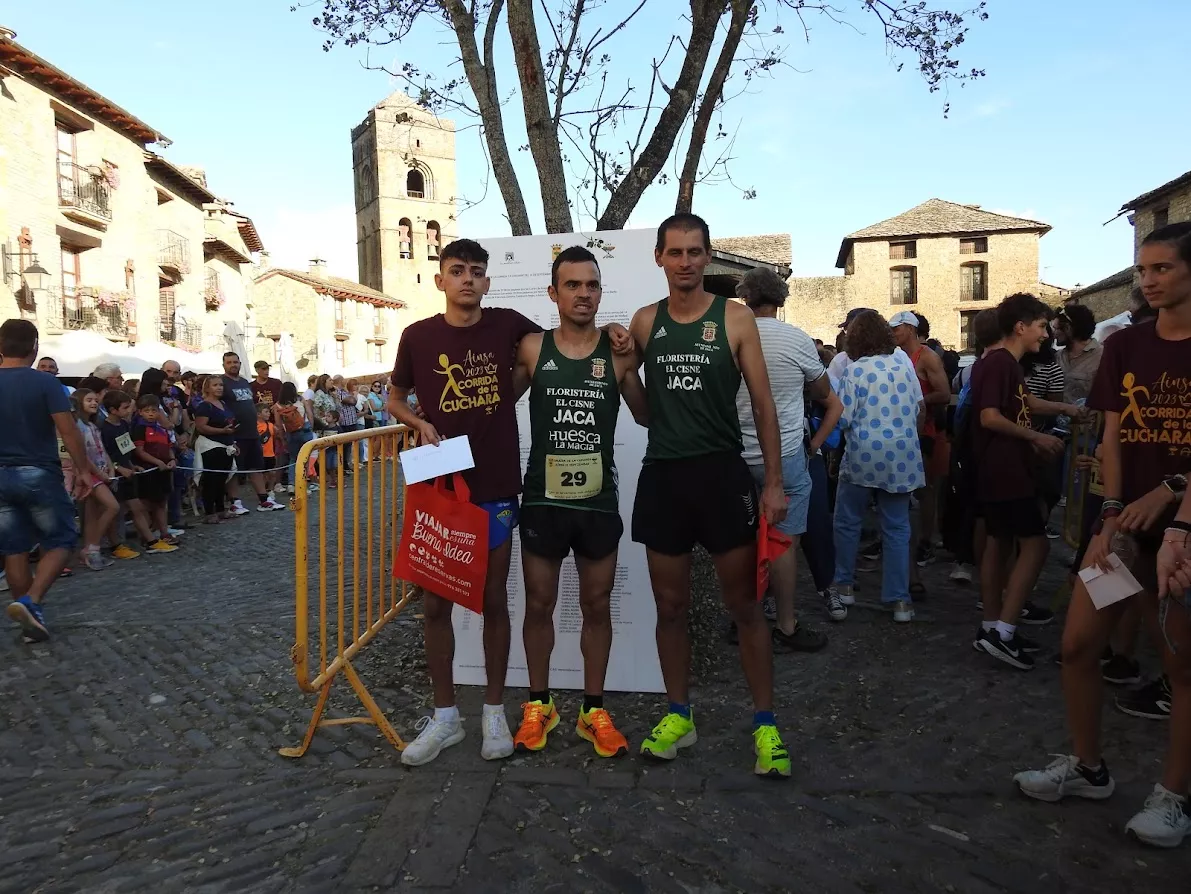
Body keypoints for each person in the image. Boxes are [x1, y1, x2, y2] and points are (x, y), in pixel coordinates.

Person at [389, 237, 633, 767]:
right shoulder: (417, 335)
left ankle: (495, 711)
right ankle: (445, 717)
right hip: (438, 480)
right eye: (458, 270)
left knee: (494, 600)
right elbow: (395, 396)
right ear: (441, 279)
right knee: (434, 606)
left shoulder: (509, 327)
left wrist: (617, 329)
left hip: (497, 483)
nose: (468, 279)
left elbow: (572, 335)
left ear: (488, 280)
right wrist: (418, 423)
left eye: (476, 271)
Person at [1014, 222, 1191, 848]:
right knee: (1077, 645)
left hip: (1183, 534)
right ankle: (1089, 768)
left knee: (1180, 666)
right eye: (1143, 269)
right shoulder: (1127, 346)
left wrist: (1171, 493)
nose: (1147, 281)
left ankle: (1175, 795)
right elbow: (1114, 434)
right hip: (1125, 528)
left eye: (1162, 268)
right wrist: (1110, 513)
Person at [627, 213, 791, 778]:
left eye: (694, 252)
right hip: (665, 478)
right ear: (659, 258)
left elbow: (764, 404)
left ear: (707, 255)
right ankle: (679, 714)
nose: (685, 262)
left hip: (722, 475)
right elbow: (643, 413)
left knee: (744, 606)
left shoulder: (735, 317)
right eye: (674, 252)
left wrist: (773, 482)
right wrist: (625, 371)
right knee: (670, 608)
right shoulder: (645, 322)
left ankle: (765, 724)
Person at [509, 246, 647, 758]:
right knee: (538, 603)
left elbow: (647, 415)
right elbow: (495, 406)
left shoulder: (618, 352)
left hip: (597, 502)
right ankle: (539, 704)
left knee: (596, 604)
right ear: (553, 293)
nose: (583, 293)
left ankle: (593, 709)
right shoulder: (532, 349)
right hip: (543, 500)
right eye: (572, 285)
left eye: (591, 285)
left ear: (600, 292)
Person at [733, 265, 835, 649]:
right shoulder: (797, 339)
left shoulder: (731, 334)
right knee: (783, 541)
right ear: (780, 298)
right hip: (786, 452)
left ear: (746, 297)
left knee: (740, 542)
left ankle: (743, 620)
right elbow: (822, 390)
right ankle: (786, 625)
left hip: (736, 452)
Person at [968, 294, 1068, 669]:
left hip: (998, 469)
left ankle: (992, 626)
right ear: (1020, 327)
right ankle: (1004, 633)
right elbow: (990, 417)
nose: (1046, 334)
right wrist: (1036, 437)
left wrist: (1067, 409)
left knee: (999, 544)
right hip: (1006, 469)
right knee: (1036, 546)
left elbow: (1027, 403)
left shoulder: (1000, 362)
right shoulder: (1001, 363)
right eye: (1041, 327)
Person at [1, 319, 96, 642]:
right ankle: (32, 601)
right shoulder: (46, 383)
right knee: (61, 539)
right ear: (34, 347)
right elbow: (68, 430)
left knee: (14, 549)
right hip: (37, 471)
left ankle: (30, 620)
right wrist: (83, 471)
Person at [829, 310, 925, 623]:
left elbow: (844, 417)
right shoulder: (903, 363)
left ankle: (844, 584)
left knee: (848, 520)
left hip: (864, 454)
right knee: (897, 527)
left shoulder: (855, 370)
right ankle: (900, 601)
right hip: (902, 456)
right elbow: (918, 406)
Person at [890, 310, 950, 577]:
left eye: (897, 328)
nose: (893, 333)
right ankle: (901, 541)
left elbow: (944, 393)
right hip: (901, 432)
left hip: (925, 431)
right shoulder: (894, 355)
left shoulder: (927, 357)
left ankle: (926, 541)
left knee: (926, 489)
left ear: (911, 329)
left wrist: (916, 400)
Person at [100, 391, 177, 555]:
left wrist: (132, 465)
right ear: (113, 410)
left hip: (128, 473)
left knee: (137, 508)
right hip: (114, 475)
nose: (130, 410)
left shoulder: (123, 425)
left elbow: (126, 449)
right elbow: (104, 453)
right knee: (116, 511)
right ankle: (115, 545)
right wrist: (118, 468)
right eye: (125, 407)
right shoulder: (104, 429)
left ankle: (151, 541)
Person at [221, 352, 285, 513]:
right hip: (235, 433)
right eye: (229, 362)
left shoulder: (244, 382)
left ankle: (264, 500)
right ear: (224, 365)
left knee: (256, 467)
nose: (233, 365)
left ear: (240, 364)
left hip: (252, 431)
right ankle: (234, 502)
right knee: (234, 470)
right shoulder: (222, 382)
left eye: (235, 362)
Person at [71, 389, 122, 569]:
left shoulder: (92, 425)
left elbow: (102, 449)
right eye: (89, 400)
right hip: (89, 473)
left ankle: (91, 550)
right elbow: (81, 454)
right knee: (112, 506)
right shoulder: (77, 425)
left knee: (92, 514)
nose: (94, 403)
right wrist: (99, 474)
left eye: (95, 400)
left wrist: (110, 467)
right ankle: (92, 546)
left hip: (101, 470)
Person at [131, 395, 179, 547]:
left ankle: (164, 532)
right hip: (148, 471)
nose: (151, 414)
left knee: (161, 502)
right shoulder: (140, 429)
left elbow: (169, 447)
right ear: (140, 412)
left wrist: (172, 459)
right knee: (146, 504)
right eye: (147, 411)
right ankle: (146, 536)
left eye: (154, 410)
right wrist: (157, 462)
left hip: (163, 470)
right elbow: (139, 451)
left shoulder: (161, 429)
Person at [193, 376, 239, 524]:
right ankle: (209, 512)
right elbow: (201, 427)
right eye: (215, 385)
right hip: (210, 446)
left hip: (225, 445)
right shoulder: (205, 406)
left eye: (221, 385)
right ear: (207, 388)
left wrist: (232, 442)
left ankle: (220, 509)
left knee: (221, 480)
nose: (219, 387)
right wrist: (222, 431)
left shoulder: (223, 404)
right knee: (211, 480)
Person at [1055, 304, 1102, 405]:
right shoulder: (1057, 357)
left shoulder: (1102, 356)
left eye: (1056, 329)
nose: (1054, 334)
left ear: (1067, 328)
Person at [256, 403, 280, 493]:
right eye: (266, 412)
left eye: (269, 412)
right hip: (260, 454)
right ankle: (262, 492)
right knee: (262, 475)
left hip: (270, 453)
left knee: (272, 473)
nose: (269, 414)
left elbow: (274, 437)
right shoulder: (255, 425)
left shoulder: (270, 425)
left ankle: (270, 490)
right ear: (258, 414)